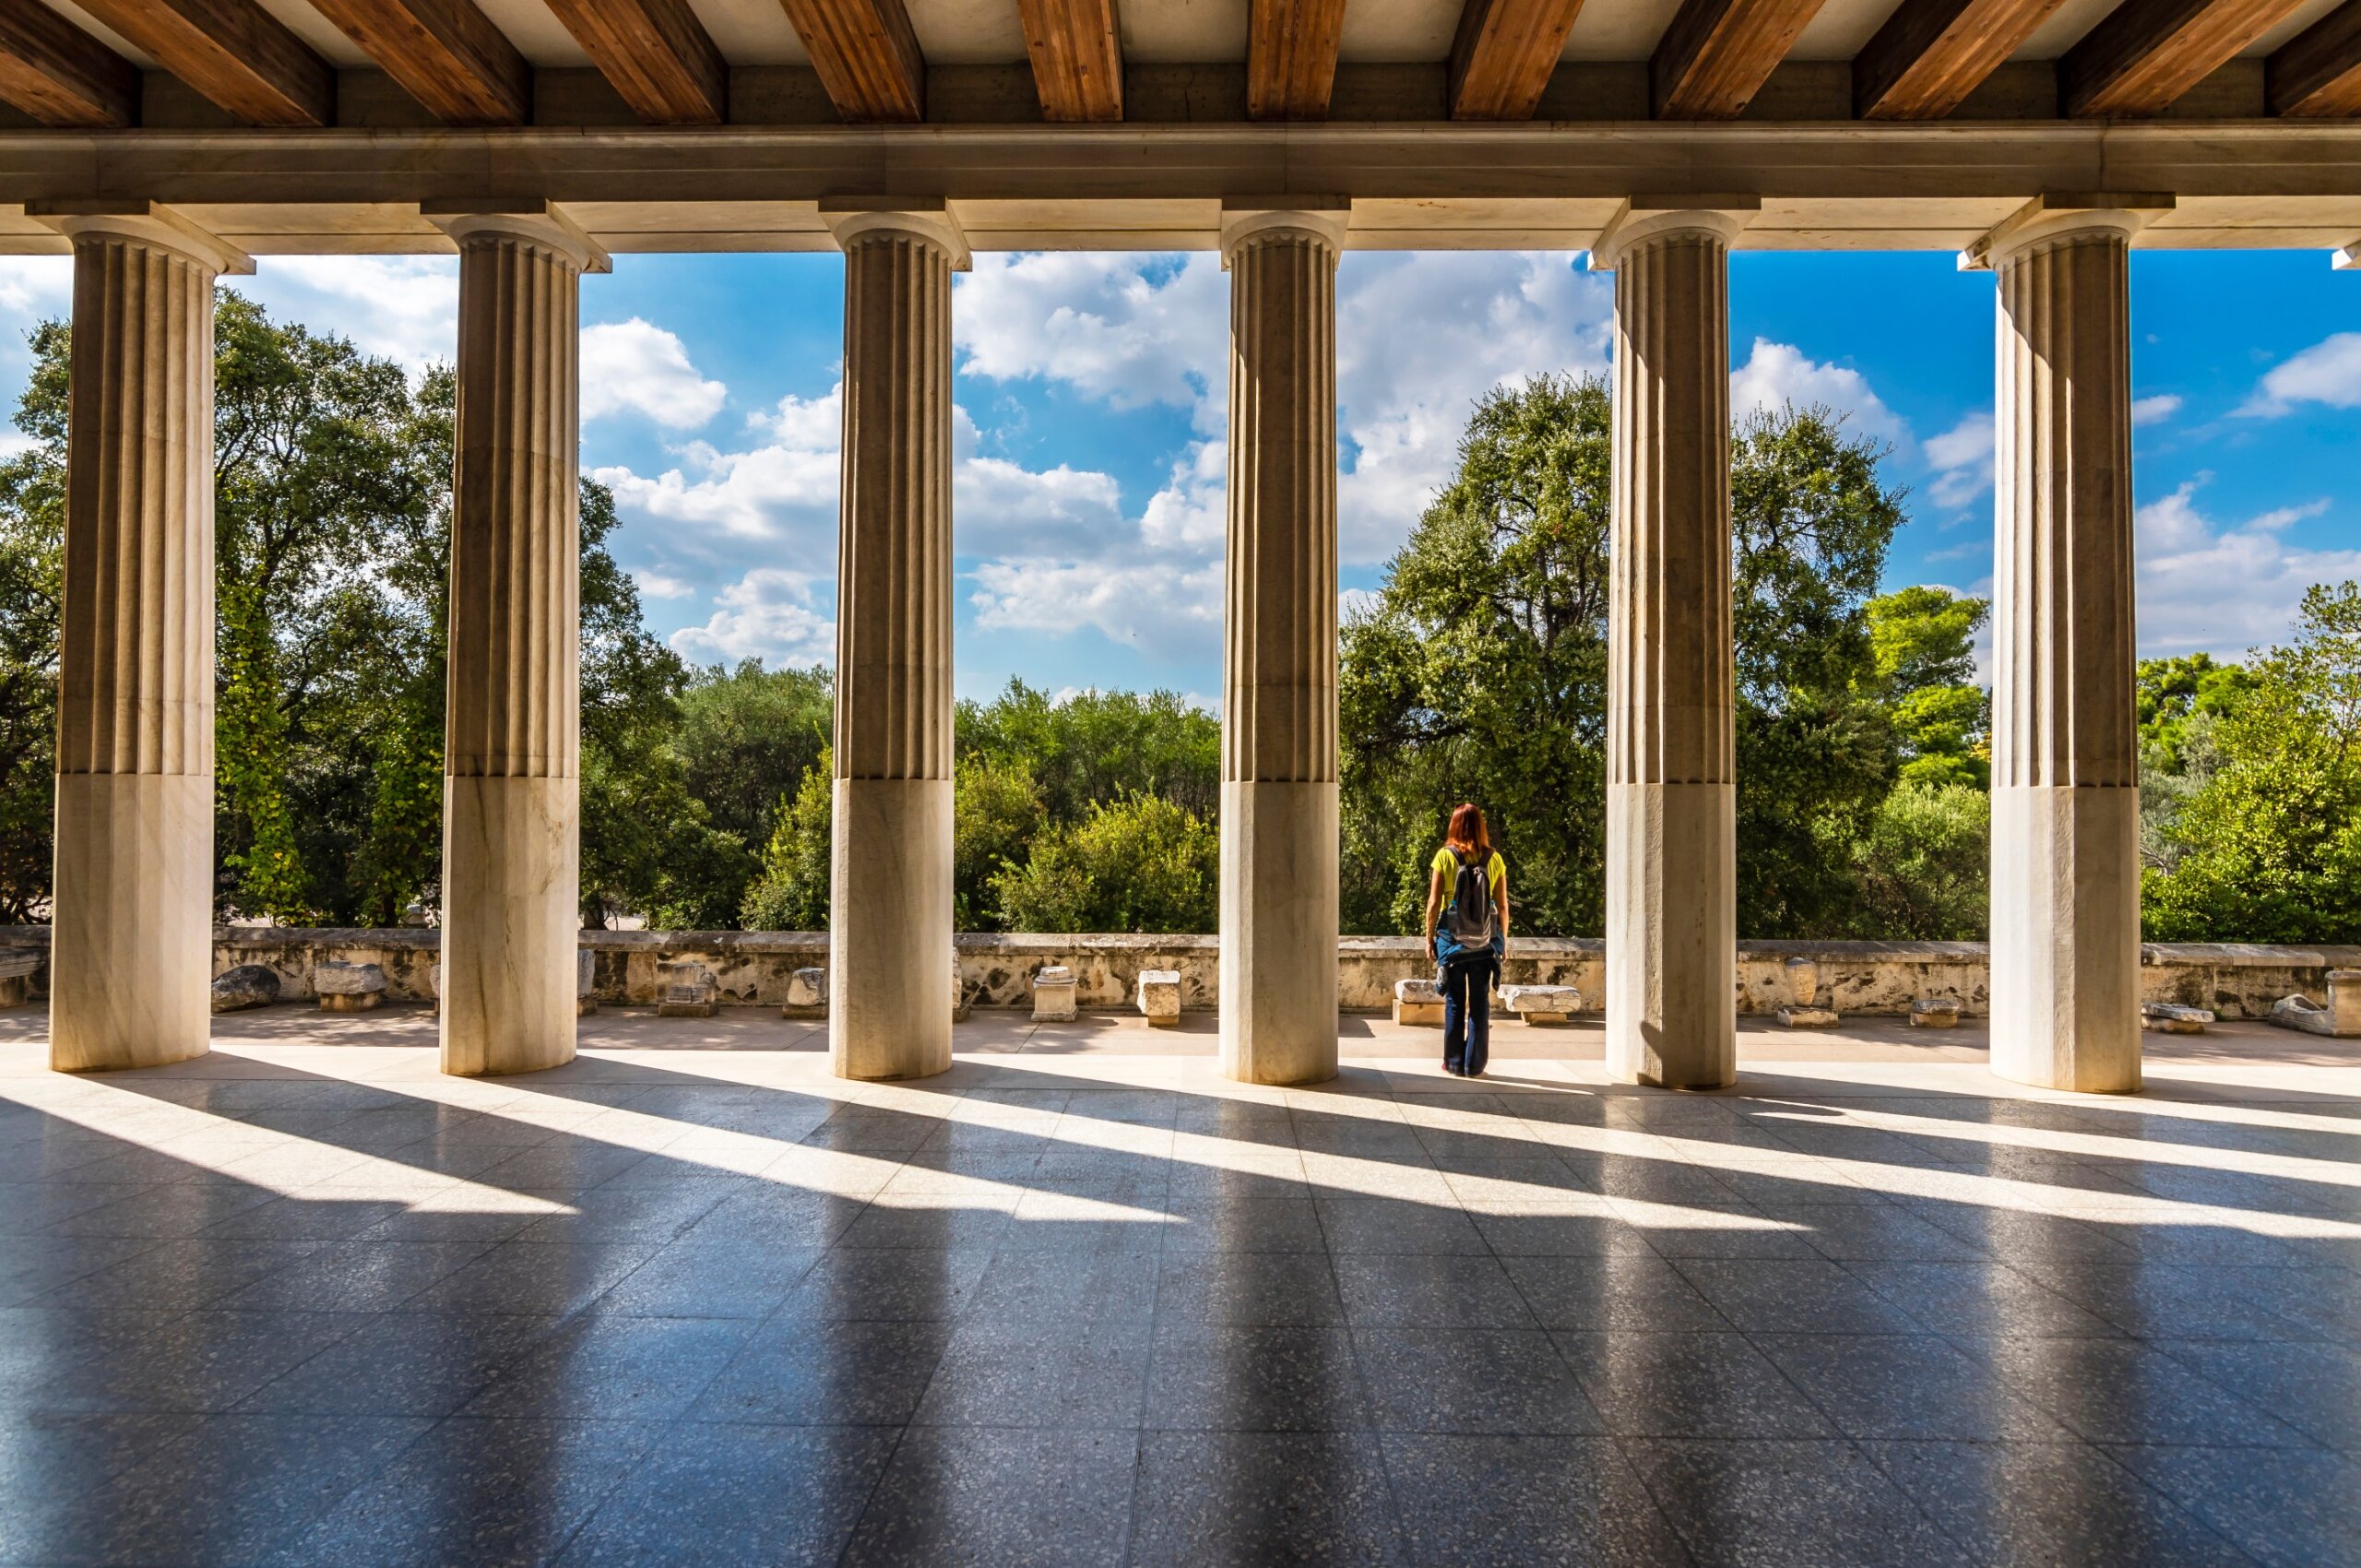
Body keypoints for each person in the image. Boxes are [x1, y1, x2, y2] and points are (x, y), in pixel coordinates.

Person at [1423, 803, 1508, 1077]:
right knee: (1480, 1004)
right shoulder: (1494, 859)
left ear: (1454, 826)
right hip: (1485, 943)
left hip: (1453, 941)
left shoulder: (1444, 857)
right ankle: (1475, 1065)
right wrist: (1502, 941)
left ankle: (1454, 1062)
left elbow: (1435, 903)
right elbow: (1503, 906)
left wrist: (1429, 938)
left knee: (1455, 1002)